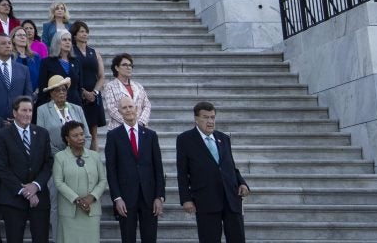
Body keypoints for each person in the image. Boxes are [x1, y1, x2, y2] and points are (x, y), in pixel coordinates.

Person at [175, 102, 248, 243]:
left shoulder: (224, 138)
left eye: (212, 117)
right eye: (205, 117)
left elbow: (231, 166)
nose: (210, 121)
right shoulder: (185, 140)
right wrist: (186, 199)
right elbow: (182, 173)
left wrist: (242, 183)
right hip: (206, 200)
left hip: (231, 199)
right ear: (196, 118)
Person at [0, 97, 52, 243]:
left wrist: (36, 186)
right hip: (13, 199)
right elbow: (2, 167)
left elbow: (48, 163)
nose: (28, 114)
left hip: (39, 199)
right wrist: (26, 191)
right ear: (15, 113)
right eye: (24, 110)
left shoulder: (42, 133)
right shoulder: (2, 135)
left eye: (30, 110)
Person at [105, 98, 164, 243]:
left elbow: (158, 167)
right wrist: (117, 198)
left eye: (130, 106)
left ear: (136, 108)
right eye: (124, 108)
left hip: (149, 197)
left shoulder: (150, 135)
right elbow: (111, 170)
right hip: (125, 198)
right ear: (119, 112)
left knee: (150, 238)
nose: (128, 110)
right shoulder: (113, 136)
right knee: (128, 239)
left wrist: (159, 196)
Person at [52, 120, 105, 243]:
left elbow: (102, 180)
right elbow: (59, 182)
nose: (80, 138)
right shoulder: (60, 157)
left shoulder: (94, 156)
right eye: (75, 135)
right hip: (69, 212)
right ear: (67, 139)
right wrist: (78, 200)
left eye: (81, 134)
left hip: (91, 210)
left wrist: (92, 197)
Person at [66, 23, 106, 150]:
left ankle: (95, 162)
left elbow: (101, 76)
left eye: (86, 31)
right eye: (82, 31)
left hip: (94, 97)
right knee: (77, 130)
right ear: (75, 35)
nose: (85, 34)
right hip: (77, 95)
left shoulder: (94, 52)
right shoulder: (70, 52)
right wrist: (83, 92)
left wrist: (94, 92)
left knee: (94, 133)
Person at [36, 75, 87, 156]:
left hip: (79, 155)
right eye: (57, 90)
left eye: (64, 90)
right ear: (51, 93)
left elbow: (87, 135)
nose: (61, 92)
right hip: (55, 157)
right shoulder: (42, 110)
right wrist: (62, 156)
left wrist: (80, 152)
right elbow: (42, 138)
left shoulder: (77, 109)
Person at [101, 54, 152, 128]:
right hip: (119, 129)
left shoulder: (138, 86)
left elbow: (147, 105)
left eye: (130, 65)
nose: (128, 67)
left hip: (140, 128)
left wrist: (141, 122)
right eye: (124, 65)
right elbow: (112, 109)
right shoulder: (110, 86)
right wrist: (130, 123)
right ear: (117, 68)